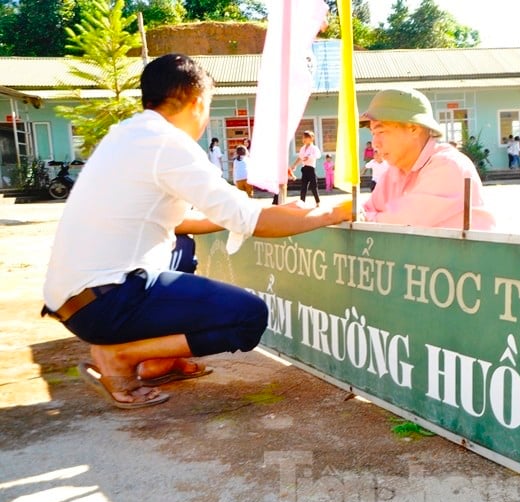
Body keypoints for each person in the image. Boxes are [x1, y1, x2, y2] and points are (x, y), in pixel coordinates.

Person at [41, 54, 351, 409]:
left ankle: (159, 361)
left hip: (74, 302)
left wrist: (264, 212)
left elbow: (180, 222)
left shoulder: (126, 134)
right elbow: (252, 222)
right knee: (249, 316)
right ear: (198, 102)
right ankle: (121, 356)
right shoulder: (168, 144)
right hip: (108, 303)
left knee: (182, 249)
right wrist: (330, 213)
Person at [358, 88, 495, 230]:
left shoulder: (447, 166)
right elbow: (368, 209)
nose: (375, 143)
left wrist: (362, 217)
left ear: (413, 129)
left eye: (381, 131)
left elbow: (404, 219)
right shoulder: (395, 172)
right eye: (373, 133)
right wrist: (354, 212)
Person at [291, 130, 321, 207]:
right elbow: (300, 158)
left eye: (305, 138)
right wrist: (294, 165)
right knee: (303, 187)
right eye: (303, 138)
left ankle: (318, 202)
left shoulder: (314, 148)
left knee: (314, 186)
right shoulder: (302, 148)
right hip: (304, 169)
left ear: (311, 139)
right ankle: (302, 202)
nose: (303, 140)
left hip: (311, 169)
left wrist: (310, 156)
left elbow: (318, 155)